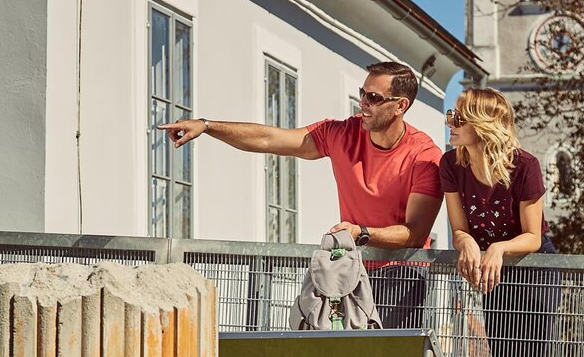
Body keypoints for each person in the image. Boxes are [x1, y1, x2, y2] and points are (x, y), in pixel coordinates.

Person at [158, 61, 443, 328]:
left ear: (400, 106)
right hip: (351, 270)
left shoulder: (424, 155)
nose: (363, 103)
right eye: (362, 93)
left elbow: (415, 233)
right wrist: (207, 127)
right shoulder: (342, 133)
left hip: (402, 274)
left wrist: (361, 232)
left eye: (374, 97)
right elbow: (269, 138)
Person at [439, 87, 559, 357]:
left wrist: (498, 248)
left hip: (532, 272)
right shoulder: (452, 164)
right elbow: (458, 228)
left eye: (459, 117)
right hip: (495, 276)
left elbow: (531, 235)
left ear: (482, 125)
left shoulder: (524, 166)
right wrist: (468, 241)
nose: (451, 122)